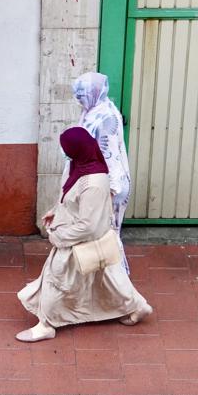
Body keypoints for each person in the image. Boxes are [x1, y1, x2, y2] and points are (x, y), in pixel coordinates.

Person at [16, 127, 152, 342]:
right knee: (111, 278)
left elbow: (88, 225)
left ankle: (46, 325)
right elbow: (72, 199)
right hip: (86, 239)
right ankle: (138, 307)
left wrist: (58, 237)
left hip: (79, 241)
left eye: (66, 148)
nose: (64, 152)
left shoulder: (93, 183)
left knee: (56, 278)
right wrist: (56, 210)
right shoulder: (82, 167)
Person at [69, 72, 132, 271]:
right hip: (96, 182)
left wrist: (110, 189)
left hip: (108, 184)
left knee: (107, 238)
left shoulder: (105, 117)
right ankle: (103, 282)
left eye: (82, 94)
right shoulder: (93, 109)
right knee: (99, 235)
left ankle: (117, 283)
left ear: (94, 93)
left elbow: (110, 153)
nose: (79, 99)